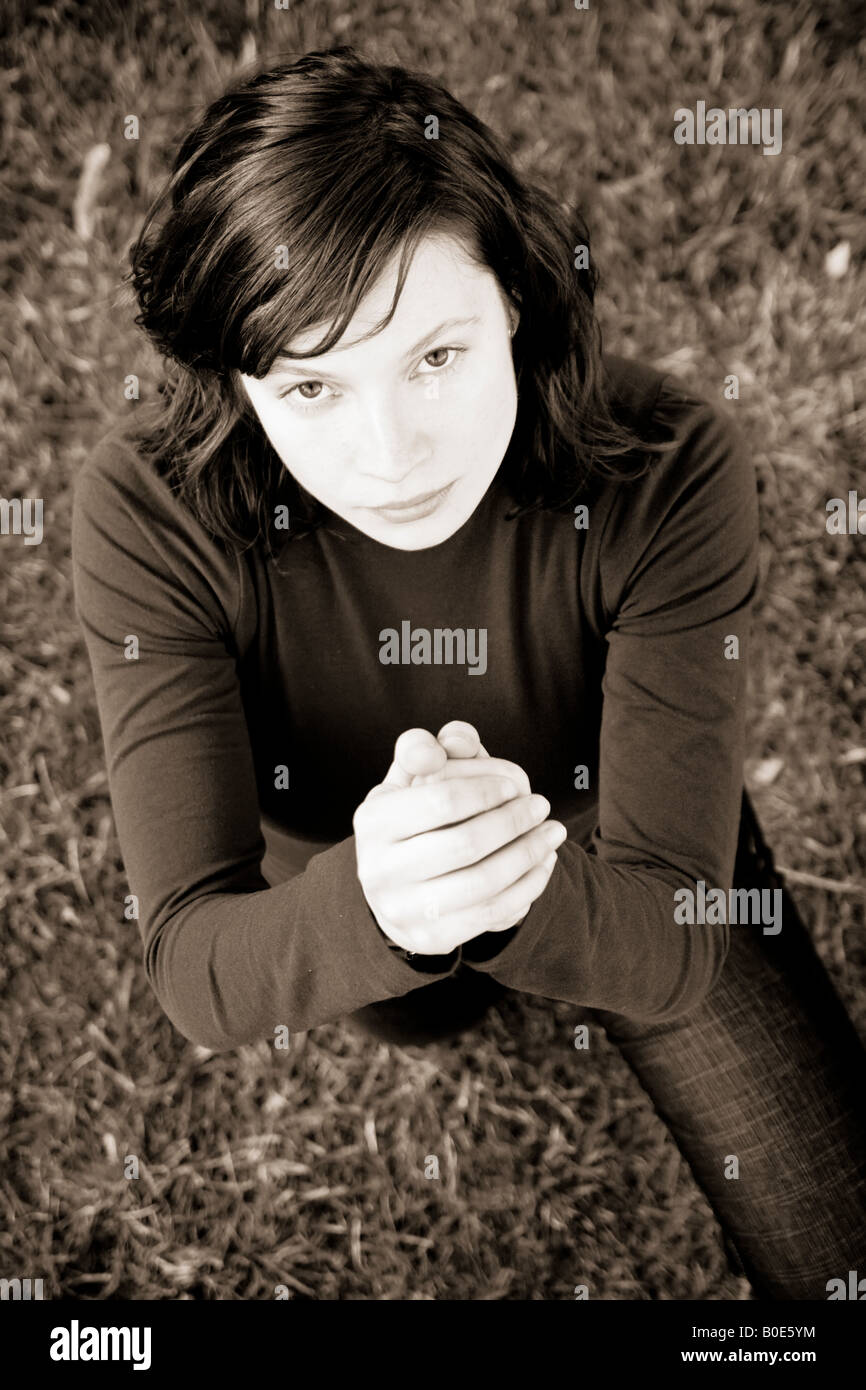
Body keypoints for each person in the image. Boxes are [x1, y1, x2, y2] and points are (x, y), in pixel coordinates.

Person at [71, 45, 866, 1300]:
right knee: (424, 1012)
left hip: (615, 836)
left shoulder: (667, 461)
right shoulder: (146, 510)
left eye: (433, 356)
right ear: (235, 375)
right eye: (310, 383)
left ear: (512, 297)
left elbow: (667, 946)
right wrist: (380, 908)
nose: (388, 454)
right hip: (340, 866)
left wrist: (520, 890)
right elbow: (196, 961)